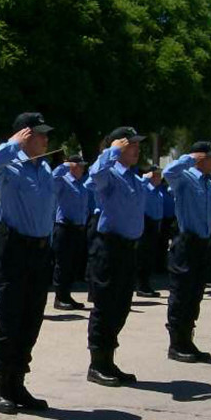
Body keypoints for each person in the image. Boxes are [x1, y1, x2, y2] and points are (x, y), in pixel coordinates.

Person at [0, 113, 57, 414]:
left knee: (31, 321)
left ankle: (19, 383)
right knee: (9, 320)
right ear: (24, 135)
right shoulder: (9, 166)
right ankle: (2, 386)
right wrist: (10, 145)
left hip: (40, 252)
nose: (45, 139)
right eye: (39, 134)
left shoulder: (45, 169)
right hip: (13, 249)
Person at [86, 127, 146, 385]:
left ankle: (109, 361)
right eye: (130, 144)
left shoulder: (134, 177)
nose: (136, 149)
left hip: (129, 249)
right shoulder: (108, 173)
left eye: (136, 144)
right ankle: (97, 364)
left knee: (121, 307)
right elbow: (94, 174)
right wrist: (111, 150)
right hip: (109, 247)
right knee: (105, 306)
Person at [162, 142, 211, 362]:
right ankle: (176, 344)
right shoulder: (185, 178)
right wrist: (189, 157)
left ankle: (188, 340)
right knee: (181, 293)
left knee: (195, 294)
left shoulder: (209, 184)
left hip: (203, 243)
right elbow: (168, 172)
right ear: (200, 158)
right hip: (186, 242)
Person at [51, 153, 89, 311]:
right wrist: (66, 165)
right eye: (79, 166)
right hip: (64, 227)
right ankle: (60, 297)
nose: (82, 169)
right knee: (63, 264)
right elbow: (52, 178)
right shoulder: (63, 181)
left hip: (78, 228)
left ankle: (67, 295)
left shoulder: (82, 184)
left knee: (73, 265)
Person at [136, 166, 163, 297]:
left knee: (150, 256)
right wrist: (145, 179)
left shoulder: (158, 191)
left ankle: (146, 284)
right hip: (145, 223)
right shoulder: (144, 188)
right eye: (157, 175)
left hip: (155, 223)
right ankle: (141, 286)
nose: (160, 178)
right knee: (143, 256)